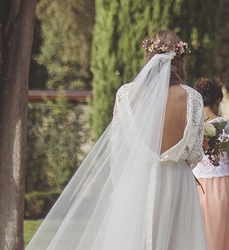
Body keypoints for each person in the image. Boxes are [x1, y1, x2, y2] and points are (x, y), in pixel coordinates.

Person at [26, 29, 207, 250]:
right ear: (180, 60)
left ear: (148, 57)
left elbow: (118, 149)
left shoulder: (127, 94)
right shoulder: (192, 98)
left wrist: (121, 186)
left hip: (136, 181)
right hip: (177, 185)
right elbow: (196, 153)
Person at [192, 79, 229, 250]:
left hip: (195, 188)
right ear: (218, 100)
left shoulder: (191, 127)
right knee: (224, 241)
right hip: (223, 189)